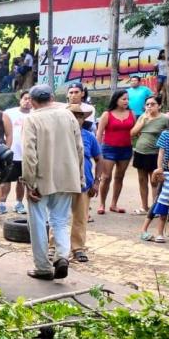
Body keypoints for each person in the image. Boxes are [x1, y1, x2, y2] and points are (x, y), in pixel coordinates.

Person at [21, 85, 85, 281]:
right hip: (67, 176)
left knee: (38, 222)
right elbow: (79, 148)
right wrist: (79, 176)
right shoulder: (68, 116)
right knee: (59, 220)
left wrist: (29, 182)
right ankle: (62, 256)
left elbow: (29, 155)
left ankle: (42, 267)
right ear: (51, 97)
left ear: (32, 101)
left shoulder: (32, 119)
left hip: (41, 179)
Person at [68, 106, 102, 263]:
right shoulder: (60, 136)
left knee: (80, 217)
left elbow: (99, 159)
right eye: (73, 115)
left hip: (85, 183)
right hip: (64, 183)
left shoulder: (89, 136)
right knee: (59, 217)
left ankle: (78, 248)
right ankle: (54, 246)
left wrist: (96, 181)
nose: (76, 119)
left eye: (80, 116)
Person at [95, 88, 136, 214]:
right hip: (109, 148)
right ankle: (102, 204)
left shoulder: (132, 113)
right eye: (123, 99)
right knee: (106, 177)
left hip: (126, 148)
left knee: (120, 177)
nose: (126, 101)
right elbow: (99, 133)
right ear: (116, 100)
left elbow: (134, 131)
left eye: (128, 99)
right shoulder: (107, 114)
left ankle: (114, 204)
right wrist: (97, 151)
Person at [130, 95, 168, 215]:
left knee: (154, 181)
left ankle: (155, 208)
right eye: (147, 104)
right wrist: (143, 121)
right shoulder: (142, 117)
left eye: (153, 104)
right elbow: (132, 133)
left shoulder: (164, 119)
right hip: (140, 151)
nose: (149, 107)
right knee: (142, 180)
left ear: (159, 106)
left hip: (155, 153)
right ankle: (144, 207)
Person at [0, 90, 31, 215]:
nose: (27, 101)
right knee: (6, 179)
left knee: (21, 180)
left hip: (27, 155)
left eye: (30, 99)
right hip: (11, 152)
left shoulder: (35, 114)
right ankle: (2, 203)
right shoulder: (9, 113)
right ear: (20, 100)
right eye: (25, 98)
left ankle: (19, 203)